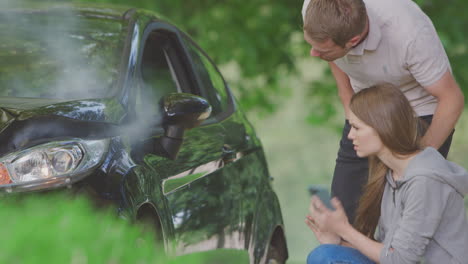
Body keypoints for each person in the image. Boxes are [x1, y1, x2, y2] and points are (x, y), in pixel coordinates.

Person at [301, 0, 465, 223]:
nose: (313, 54)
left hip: (416, 110)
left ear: (354, 40)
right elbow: (334, 62)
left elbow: (452, 99)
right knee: (344, 210)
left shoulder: (410, 33)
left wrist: (418, 163)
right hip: (366, 105)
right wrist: (352, 112)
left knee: (402, 215)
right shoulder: (315, 8)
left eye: (322, 50)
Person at [305, 84, 468, 264]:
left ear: (383, 126)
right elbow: (387, 252)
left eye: (357, 128)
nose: (350, 136)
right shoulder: (392, 173)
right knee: (328, 252)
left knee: (326, 257)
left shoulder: (425, 181)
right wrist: (336, 241)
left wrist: (344, 229)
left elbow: (399, 259)